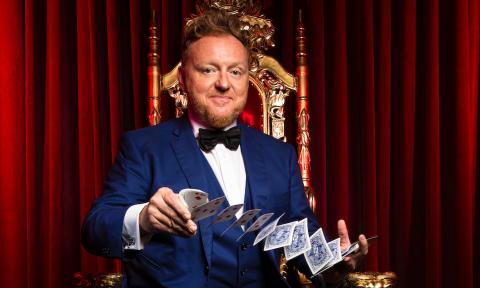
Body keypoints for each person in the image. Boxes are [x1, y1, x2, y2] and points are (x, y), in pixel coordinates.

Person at [82, 9, 368, 288]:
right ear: (183, 78)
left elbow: (301, 245)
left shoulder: (280, 155)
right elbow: (95, 229)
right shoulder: (143, 147)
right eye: (208, 70)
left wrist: (334, 262)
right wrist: (143, 219)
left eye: (235, 71)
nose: (223, 83)